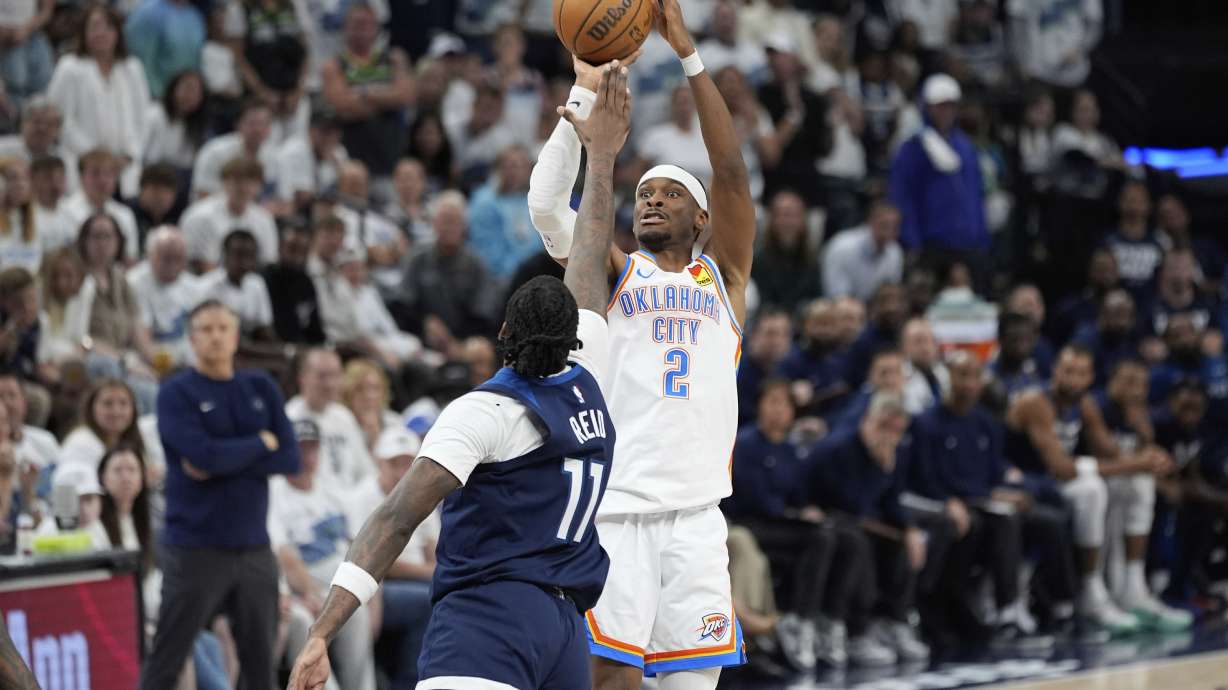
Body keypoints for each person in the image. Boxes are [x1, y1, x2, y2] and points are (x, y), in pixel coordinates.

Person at [287, 60, 626, 690]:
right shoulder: (590, 376)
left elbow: (393, 521)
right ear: (576, 337)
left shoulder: (484, 412)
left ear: (502, 335)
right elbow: (588, 253)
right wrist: (602, 159)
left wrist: (321, 632)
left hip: (488, 623)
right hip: (565, 629)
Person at [531, 3, 754, 686]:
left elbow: (732, 170)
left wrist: (688, 55)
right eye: (643, 194)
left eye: (668, 194)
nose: (650, 201)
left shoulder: (724, 279)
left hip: (697, 519)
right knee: (612, 682)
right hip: (621, 513)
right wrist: (584, 93)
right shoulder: (616, 271)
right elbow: (547, 207)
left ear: (703, 218)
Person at [139, 299, 300, 690]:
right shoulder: (175, 393)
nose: (215, 337)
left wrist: (220, 461)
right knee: (167, 662)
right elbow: (201, 456)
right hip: (194, 548)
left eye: (222, 328)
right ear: (191, 339)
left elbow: (290, 458)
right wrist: (261, 442)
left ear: (235, 335)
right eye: (205, 329)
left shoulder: (260, 385)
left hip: (253, 548)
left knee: (261, 668)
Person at [1003, 345, 1148, 636]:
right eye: (1067, 371)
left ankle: (1129, 585)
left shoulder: (1084, 404)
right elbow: (1059, 466)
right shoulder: (1036, 401)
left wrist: (1144, 441)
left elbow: (1109, 450)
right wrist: (1134, 464)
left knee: (1136, 484)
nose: (1073, 379)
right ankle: (1090, 588)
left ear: (1090, 377)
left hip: (1052, 485)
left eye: (1081, 373)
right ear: (1055, 370)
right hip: (1021, 481)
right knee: (1092, 489)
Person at [270, 417, 376, 690]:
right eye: (299, 448)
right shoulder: (275, 492)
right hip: (299, 587)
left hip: (338, 583)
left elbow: (362, 546)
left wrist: (375, 595)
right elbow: (286, 557)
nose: (306, 456)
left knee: (358, 612)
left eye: (311, 448)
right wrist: (311, 593)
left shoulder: (332, 491)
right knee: (307, 621)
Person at [344, 426, 437, 688]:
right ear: (379, 463)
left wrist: (442, 573)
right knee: (427, 600)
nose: (401, 471)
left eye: (408, 463)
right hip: (377, 587)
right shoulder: (360, 497)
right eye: (394, 463)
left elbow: (434, 546)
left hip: (421, 576)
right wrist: (432, 573)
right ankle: (409, 683)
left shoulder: (421, 492)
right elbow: (368, 561)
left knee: (456, 594)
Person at [889, 74, 988, 289]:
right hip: (932, 244)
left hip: (968, 245)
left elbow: (976, 195)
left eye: (951, 106)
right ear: (928, 107)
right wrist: (912, 239)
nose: (946, 112)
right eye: (940, 106)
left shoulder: (965, 147)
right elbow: (902, 196)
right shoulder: (913, 148)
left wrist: (980, 236)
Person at [45, 3, 150, 196]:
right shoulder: (70, 67)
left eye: (108, 27)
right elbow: (59, 119)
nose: (101, 33)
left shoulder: (132, 68)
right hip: (81, 163)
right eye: (94, 27)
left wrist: (130, 154)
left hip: (124, 166)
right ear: (84, 32)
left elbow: (142, 118)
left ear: (118, 32)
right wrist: (95, 157)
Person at [285, 348, 374, 484]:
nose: (330, 384)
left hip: (350, 499)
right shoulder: (290, 417)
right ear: (302, 378)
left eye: (335, 375)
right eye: (322, 376)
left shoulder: (343, 416)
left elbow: (366, 471)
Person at [181, 157, 278, 272]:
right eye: (237, 181)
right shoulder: (201, 216)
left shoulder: (264, 219)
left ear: (260, 187)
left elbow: (268, 264)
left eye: (251, 182)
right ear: (224, 182)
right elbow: (203, 268)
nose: (243, 188)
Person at [822, 199, 904, 302]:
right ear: (870, 222)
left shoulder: (895, 252)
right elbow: (836, 294)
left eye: (895, 227)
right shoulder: (842, 246)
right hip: (839, 308)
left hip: (873, 310)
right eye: (884, 225)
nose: (890, 232)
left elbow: (890, 294)